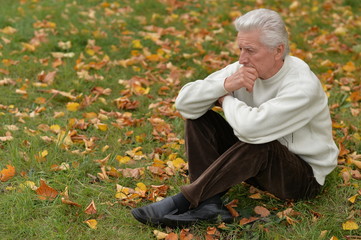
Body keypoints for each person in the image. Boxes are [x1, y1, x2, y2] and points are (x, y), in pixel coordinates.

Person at [131, 8, 339, 228]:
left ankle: (185, 200)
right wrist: (226, 85)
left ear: (278, 51)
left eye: (250, 50)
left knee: (259, 142)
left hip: (302, 178)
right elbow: (185, 105)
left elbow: (251, 130)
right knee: (199, 117)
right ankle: (209, 205)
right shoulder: (243, 68)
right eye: (240, 48)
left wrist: (225, 99)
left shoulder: (301, 85)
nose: (242, 58)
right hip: (255, 165)